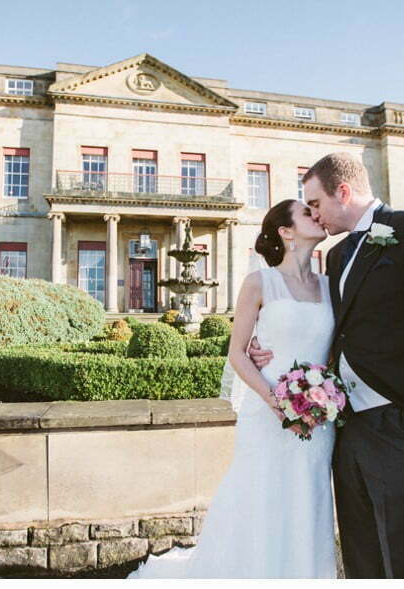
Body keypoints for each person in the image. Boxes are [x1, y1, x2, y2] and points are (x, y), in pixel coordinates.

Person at [249, 152, 404, 578]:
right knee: (363, 560)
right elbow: (332, 332)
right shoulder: (336, 258)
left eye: (316, 204)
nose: (315, 215)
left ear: (343, 192)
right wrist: (261, 344)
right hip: (348, 430)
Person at [127, 198, 338, 578]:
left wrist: (325, 395)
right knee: (260, 498)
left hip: (319, 417)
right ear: (285, 231)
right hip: (268, 413)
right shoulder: (259, 282)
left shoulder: (329, 284)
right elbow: (238, 354)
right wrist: (276, 401)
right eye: (307, 212)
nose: (317, 215)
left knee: (310, 499)